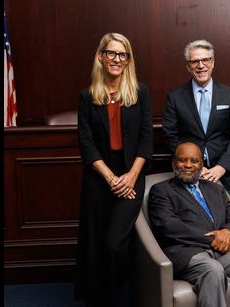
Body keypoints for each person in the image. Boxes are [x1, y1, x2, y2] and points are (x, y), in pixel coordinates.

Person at [74, 33, 153, 307]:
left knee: (114, 243)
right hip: (99, 177)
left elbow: (146, 139)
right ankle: (102, 300)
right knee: (96, 245)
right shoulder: (88, 96)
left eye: (123, 54)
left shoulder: (140, 92)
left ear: (128, 60)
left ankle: (124, 292)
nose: (117, 59)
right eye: (112, 53)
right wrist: (109, 177)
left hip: (131, 172)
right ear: (101, 56)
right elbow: (85, 142)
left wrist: (131, 176)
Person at [148, 142, 230, 307]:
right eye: (182, 160)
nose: (188, 165)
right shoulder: (161, 190)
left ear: (201, 165)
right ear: (174, 163)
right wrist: (214, 239)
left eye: (194, 161)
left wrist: (228, 232)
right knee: (213, 270)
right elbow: (168, 226)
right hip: (188, 253)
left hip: (223, 251)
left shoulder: (215, 188)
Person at [162, 39, 230, 206]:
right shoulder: (175, 97)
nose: (200, 65)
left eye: (205, 60)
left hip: (226, 175)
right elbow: (170, 135)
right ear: (188, 66)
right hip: (189, 174)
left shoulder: (229, 95)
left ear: (212, 62)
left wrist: (222, 167)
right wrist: (195, 166)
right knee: (195, 222)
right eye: (194, 61)